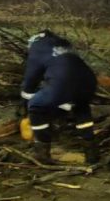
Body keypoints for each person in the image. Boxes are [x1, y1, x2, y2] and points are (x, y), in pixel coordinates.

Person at [21, 30, 99, 165]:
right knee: (81, 107)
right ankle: (91, 153)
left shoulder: (37, 47)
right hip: (89, 80)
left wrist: (25, 103)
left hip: (63, 80)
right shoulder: (62, 45)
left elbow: (31, 79)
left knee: (36, 106)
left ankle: (42, 152)